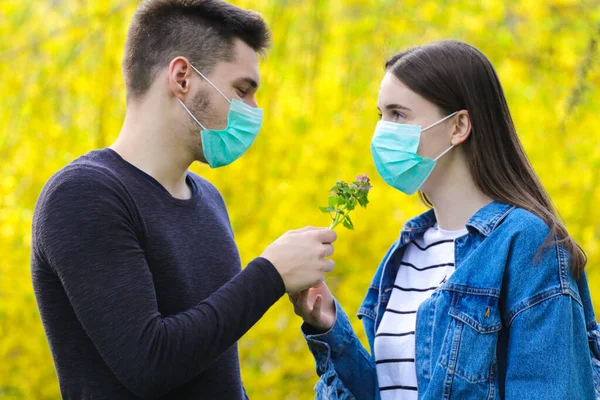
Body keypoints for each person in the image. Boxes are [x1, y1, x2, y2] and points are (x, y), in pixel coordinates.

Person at [31, 1, 337, 398]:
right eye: (242, 90)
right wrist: (270, 274)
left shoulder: (207, 198)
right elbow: (149, 362)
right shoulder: (84, 195)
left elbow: (214, 373)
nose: (254, 110)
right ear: (181, 77)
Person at [290, 40, 600, 399]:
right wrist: (329, 328)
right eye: (381, 116)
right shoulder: (407, 251)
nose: (383, 132)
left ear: (458, 126)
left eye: (399, 115)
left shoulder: (526, 242)